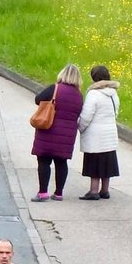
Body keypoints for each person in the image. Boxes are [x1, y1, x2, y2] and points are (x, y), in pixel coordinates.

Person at [31, 64, 84, 201]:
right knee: (61, 162)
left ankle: (43, 193)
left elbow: (38, 99)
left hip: (48, 130)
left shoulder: (55, 88)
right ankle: (59, 193)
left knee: (44, 161)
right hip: (67, 135)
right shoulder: (79, 95)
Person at [77, 65, 120, 200]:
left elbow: (86, 115)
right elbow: (115, 113)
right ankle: (104, 190)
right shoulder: (113, 94)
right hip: (109, 133)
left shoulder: (93, 94)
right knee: (107, 162)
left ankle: (93, 191)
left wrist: (80, 127)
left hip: (95, 135)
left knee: (94, 163)